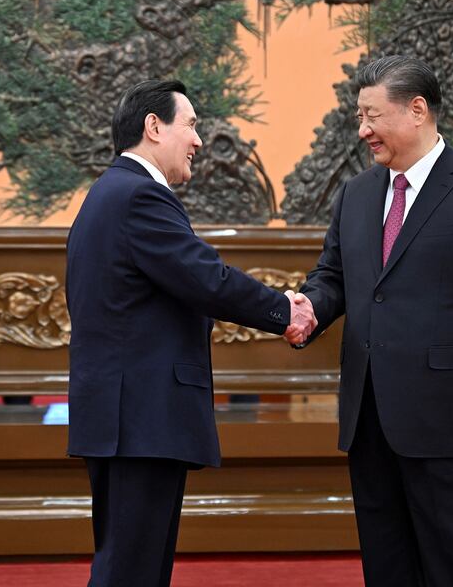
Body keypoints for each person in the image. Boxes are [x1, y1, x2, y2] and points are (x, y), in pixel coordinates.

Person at [291, 55, 453, 587]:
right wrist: (308, 307)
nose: (363, 131)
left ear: (417, 110)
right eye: (359, 117)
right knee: (387, 566)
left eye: (371, 116)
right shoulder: (356, 194)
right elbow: (333, 275)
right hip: (370, 419)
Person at [65, 80, 315, 587]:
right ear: (153, 127)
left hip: (123, 418)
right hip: (140, 419)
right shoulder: (139, 196)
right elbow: (207, 278)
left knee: (130, 563)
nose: (199, 141)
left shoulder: (108, 194)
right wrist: (282, 311)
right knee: (131, 570)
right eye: (192, 125)